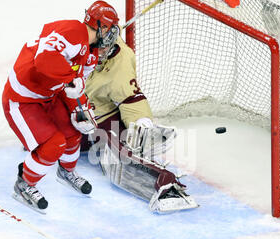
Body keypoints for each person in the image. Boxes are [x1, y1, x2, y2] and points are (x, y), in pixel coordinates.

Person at [2, 1, 119, 212]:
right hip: (23, 99)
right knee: (53, 145)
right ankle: (24, 184)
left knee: (74, 132)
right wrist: (69, 79)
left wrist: (80, 109)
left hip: (50, 95)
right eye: (111, 29)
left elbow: (73, 87)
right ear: (101, 27)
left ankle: (66, 172)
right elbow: (45, 60)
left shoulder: (91, 54)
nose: (112, 36)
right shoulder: (73, 32)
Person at [78, 31, 199, 213]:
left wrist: (142, 124)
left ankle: (166, 185)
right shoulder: (78, 41)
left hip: (101, 114)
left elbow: (131, 99)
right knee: (53, 144)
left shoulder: (121, 64)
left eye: (103, 48)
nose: (98, 52)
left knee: (118, 153)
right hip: (73, 108)